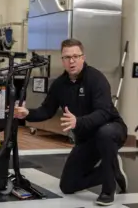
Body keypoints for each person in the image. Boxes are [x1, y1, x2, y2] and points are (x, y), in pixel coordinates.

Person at [14, 38, 128, 206]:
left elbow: (104, 113)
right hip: (87, 139)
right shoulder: (60, 84)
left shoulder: (96, 79)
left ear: (83, 57)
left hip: (112, 130)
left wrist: (78, 121)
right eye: (67, 57)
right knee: (68, 185)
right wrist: (27, 113)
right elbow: (47, 110)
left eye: (76, 56)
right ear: (62, 60)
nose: (71, 60)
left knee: (105, 133)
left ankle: (108, 189)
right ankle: (112, 169)